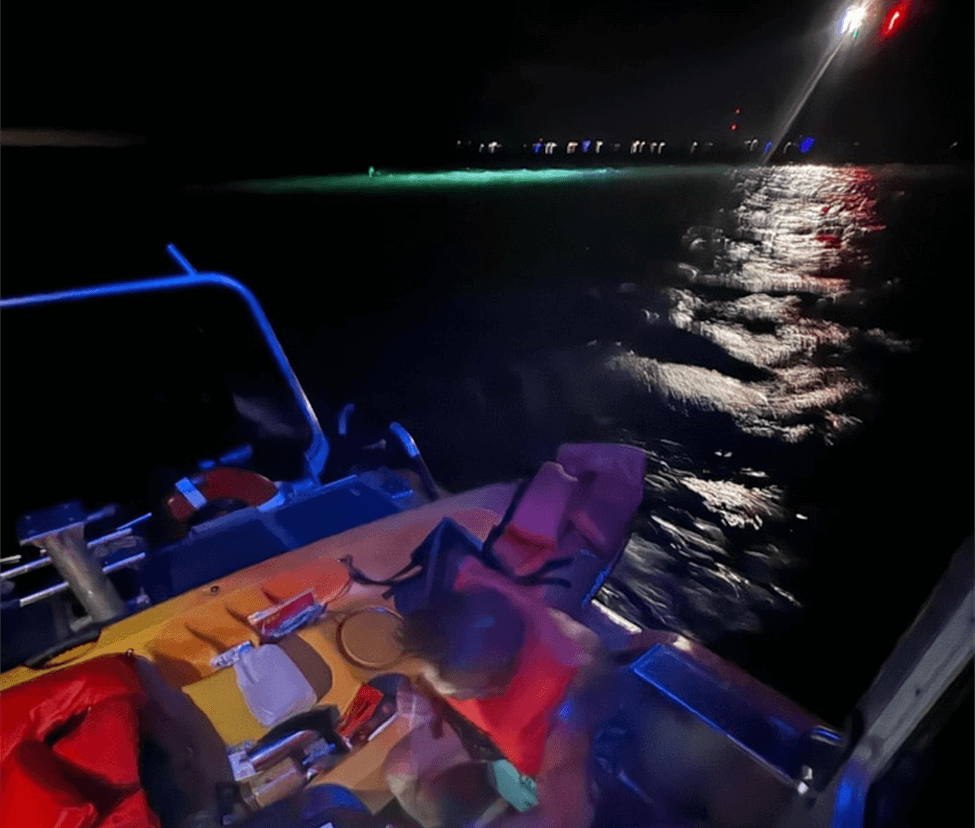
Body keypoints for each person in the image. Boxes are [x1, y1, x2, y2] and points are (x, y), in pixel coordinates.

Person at [385, 572, 618, 828]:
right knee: (400, 767)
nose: (445, 690)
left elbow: (567, 816)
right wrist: (429, 699)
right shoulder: (469, 603)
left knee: (411, 779)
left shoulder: (560, 702)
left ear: (492, 684)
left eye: (458, 690)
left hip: (538, 756)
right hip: (490, 730)